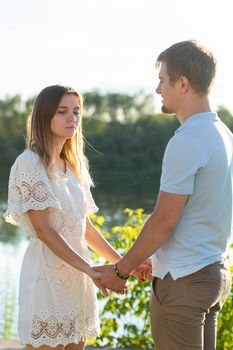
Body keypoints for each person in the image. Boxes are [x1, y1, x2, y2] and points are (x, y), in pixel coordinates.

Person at [95, 40, 233, 350]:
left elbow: (164, 220)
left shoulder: (187, 140)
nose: (158, 90)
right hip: (211, 276)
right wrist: (150, 258)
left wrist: (121, 270)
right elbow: (198, 215)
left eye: (162, 80)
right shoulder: (223, 135)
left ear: (182, 83)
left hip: (183, 284)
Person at [4, 85, 150, 350]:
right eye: (63, 111)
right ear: (44, 116)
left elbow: (86, 229)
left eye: (76, 111)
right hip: (46, 277)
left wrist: (124, 262)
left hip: (78, 278)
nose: (72, 118)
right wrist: (91, 271)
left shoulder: (73, 165)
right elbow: (45, 231)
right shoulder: (29, 163)